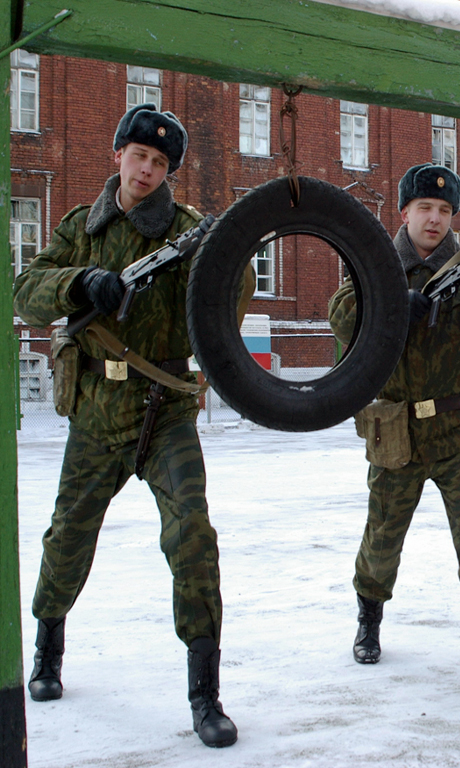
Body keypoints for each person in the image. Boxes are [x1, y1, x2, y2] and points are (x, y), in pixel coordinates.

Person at [13, 104, 252, 748]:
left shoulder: (189, 229)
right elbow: (25, 290)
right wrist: (82, 283)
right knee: (67, 534)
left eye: (160, 163)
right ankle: (48, 647)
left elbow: (237, 294)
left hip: (164, 409)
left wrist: (229, 255)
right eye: (138, 156)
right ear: (116, 155)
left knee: (192, 537)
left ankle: (205, 694)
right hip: (94, 409)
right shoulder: (80, 229)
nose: (147, 170)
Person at [329, 163, 460, 687]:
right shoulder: (376, 263)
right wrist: (394, 306)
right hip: (395, 430)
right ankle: (368, 623)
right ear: (405, 212)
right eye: (425, 208)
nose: (435, 219)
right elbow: (341, 314)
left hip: (457, 428)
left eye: (444, 210)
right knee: (382, 538)